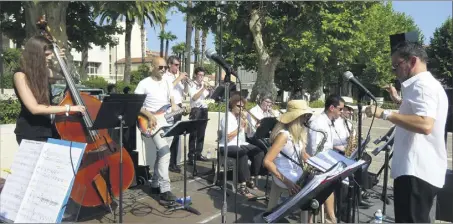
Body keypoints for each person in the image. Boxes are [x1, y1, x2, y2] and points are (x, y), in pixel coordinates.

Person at [365, 41, 448, 223]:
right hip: (416, 170)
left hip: (416, 171)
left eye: (397, 66)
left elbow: (425, 124)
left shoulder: (422, 85)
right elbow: (415, 113)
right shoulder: (423, 85)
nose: (394, 71)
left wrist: (384, 113)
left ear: (412, 61)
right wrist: (397, 101)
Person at [13, 35, 85, 145]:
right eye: (47, 54)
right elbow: (34, 108)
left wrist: (62, 60)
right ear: (35, 55)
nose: (50, 57)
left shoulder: (43, 72)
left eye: (51, 54)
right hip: (30, 132)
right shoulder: (20, 75)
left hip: (49, 129)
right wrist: (69, 108)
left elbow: (65, 76)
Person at [134, 56, 178, 202]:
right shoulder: (143, 84)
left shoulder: (167, 82)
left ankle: (154, 183)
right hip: (151, 123)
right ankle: (165, 189)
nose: (164, 70)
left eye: (165, 67)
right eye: (160, 67)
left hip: (167, 121)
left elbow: (171, 101)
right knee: (165, 153)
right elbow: (135, 105)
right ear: (152, 67)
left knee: (162, 155)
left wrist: (176, 107)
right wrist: (149, 115)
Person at [263, 100, 312, 215]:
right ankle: (306, 218)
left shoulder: (298, 134)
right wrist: (288, 182)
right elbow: (267, 161)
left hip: (295, 171)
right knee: (312, 189)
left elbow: (303, 153)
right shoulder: (283, 135)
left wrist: (316, 163)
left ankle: (307, 218)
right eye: (305, 116)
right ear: (296, 117)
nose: (306, 119)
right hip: (284, 175)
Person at [306, 94, 345, 223]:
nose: (342, 112)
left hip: (325, 160)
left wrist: (346, 143)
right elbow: (315, 150)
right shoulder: (318, 123)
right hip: (316, 165)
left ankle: (331, 216)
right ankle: (328, 218)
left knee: (333, 180)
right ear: (332, 108)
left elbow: (330, 142)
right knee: (330, 181)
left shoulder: (327, 121)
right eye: (340, 109)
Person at [219, 94, 265, 197]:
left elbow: (248, 134)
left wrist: (254, 127)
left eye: (242, 107)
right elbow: (228, 137)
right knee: (242, 154)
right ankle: (242, 185)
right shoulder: (227, 117)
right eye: (239, 106)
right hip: (227, 145)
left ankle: (251, 178)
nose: (241, 109)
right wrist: (240, 127)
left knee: (259, 152)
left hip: (240, 143)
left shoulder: (240, 117)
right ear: (232, 105)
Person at [164, 55, 192, 173]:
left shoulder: (177, 76)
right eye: (175, 65)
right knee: (171, 136)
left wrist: (185, 82)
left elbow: (184, 92)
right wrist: (179, 78)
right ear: (169, 64)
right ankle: (168, 162)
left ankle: (173, 162)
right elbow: (167, 88)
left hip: (179, 106)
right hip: (171, 108)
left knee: (177, 137)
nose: (177, 67)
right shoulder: (165, 76)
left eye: (178, 65)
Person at [188, 67, 211, 165]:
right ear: (195, 75)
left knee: (202, 133)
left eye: (203, 75)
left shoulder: (203, 85)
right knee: (193, 134)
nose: (201, 77)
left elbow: (206, 97)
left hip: (204, 109)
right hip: (196, 110)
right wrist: (203, 88)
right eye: (200, 75)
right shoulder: (191, 84)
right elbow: (194, 97)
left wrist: (208, 90)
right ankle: (191, 156)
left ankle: (198, 153)